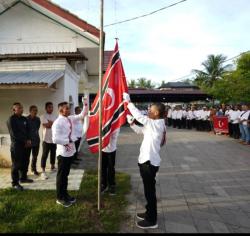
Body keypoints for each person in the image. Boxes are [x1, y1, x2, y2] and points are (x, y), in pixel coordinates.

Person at [123, 92, 166, 230]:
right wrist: (131, 124)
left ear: (157, 113)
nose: (148, 111)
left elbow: (140, 116)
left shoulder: (158, 123)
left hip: (149, 162)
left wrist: (128, 102)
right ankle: (148, 212)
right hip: (145, 160)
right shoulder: (153, 124)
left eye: (150, 110)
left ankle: (152, 219)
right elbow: (140, 131)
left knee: (150, 191)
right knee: (148, 190)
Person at [52, 100, 88, 207]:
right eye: (66, 108)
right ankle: (59, 197)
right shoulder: (57, 123)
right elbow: (55, 139)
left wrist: (85, 104)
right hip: (62, 153)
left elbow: (82, 115)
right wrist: (68, 141)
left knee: (66, 175)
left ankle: (65, 194)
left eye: (68, 108)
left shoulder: (69, 118)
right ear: (60, 110)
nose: (69, 110)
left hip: (69, 152)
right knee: (61, 176)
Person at [6, 103, 33, 190]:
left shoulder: (24, 119)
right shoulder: (11, 120)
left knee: (25, 162)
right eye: (19, 108)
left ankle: (23, 178)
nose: (22, 109)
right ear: (14, 110)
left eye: (22, 108)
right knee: (16, 164)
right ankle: (15, 183)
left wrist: (28, 139)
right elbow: (14, 134)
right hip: (17, 146)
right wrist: (25, 141)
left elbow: (29, 130)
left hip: (26, 145)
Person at [40, 102, 57, 180]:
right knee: (44, 155)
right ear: (46, 108)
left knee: (53, 154)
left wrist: (51, 123)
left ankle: (52, 167)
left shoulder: (55, 116)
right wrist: (51, 124)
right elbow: (47, 125)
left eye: (52, 107)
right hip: (46, 139)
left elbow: (55, 126)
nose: (51, 108)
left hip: (53, 139)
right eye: (49, 107)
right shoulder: (43, 116)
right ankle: (43, 171)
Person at [101, 128, 120, 195]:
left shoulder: (115, 124)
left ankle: (111, 185)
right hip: (102, 149)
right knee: (103, 168)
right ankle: (103, 184)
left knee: (111, 168)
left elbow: (114, 137)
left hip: (111, 149)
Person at [24, 105, 41, 176]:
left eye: (36, 110)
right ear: (30, 111)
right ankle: (24, 171)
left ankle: (33, 169)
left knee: (35, 156)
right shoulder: (25, 119)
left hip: (36, 140)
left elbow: (37, 128)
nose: (35, 112)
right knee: (26, 157)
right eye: (34, 110)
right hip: (28, 142)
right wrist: (27, 139)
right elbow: (24, 131)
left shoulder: (38, 119)